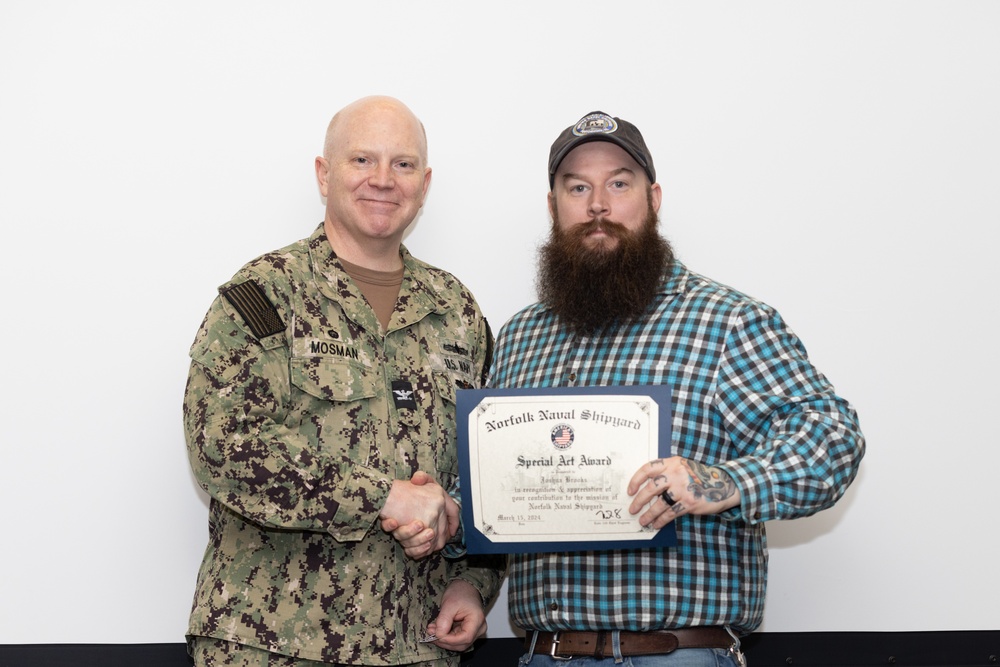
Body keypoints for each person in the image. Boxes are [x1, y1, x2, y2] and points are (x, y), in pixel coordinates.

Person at [489, 111, 866, 666]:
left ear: (654, 198)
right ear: (553, 207)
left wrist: (719, 481)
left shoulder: (728, 322)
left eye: (619, 183)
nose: (598, 204)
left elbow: (833, 439)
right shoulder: (521, 336)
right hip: (547, 654)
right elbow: (493, 490)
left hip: (676, 655)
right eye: (577, 187)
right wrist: (442, 512)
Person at [182, 96, 503, 667]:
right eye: (362, 160)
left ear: (424, 183)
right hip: (273, 644)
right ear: (324, 174)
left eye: (402, 165)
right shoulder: (264, 296)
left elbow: (485, 475)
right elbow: (222, 446)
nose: (383, 180)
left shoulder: (457, 312)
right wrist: (383, 495)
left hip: (415, 646)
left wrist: (472, 582)